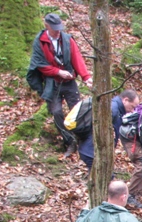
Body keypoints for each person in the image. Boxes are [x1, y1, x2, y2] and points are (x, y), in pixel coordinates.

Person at [27, 13, 93, 158]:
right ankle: (69, 141)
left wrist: (86, 77)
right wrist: (58, 72)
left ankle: (83, 138)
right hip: (52, 83)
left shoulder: (67, 39)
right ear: (47, 26)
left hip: (69, 82)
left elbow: (77, 58)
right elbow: (40, 65)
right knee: (56, 112)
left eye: (59, 28)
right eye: (55, 28)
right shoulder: (40, 42)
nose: (58, 31)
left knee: (77, 110)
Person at [78, 89, 140, 170]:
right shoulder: (113, 110)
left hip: (91, 151)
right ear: (125, 100)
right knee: (105, 179)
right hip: (91, 152)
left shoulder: (115, 108)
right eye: (132, 107)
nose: (132, 111)